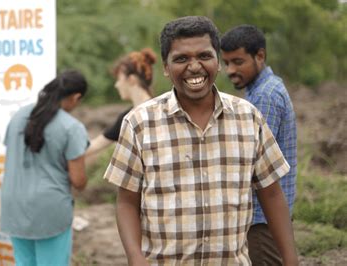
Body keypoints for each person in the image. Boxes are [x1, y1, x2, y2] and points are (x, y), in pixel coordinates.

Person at [103, 16, 298, 265]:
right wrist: (135, 258)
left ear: (217, 62)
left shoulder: (249, 118)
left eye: (204, 56)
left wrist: (291, 260)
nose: (194, 66)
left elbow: (271, 194)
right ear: (165, 66)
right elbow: (127, 202)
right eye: (181, 59)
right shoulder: (139, 123)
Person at [221, 24, 297, 265]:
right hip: (264, 215)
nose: (230, 70)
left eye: (238, 62)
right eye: (227, 63)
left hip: (262, 217)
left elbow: (254, 162)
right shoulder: (258, 91)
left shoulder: (265, 95)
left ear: (260, 56)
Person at [0, 70, 89, 266]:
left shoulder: (18, 117)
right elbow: (78, 180)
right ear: (76, 98)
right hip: (49, 210)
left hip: (13, 205)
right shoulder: (71, 127)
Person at [86, 48, 155, 156]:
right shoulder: (126, 117)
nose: (116, 85)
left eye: (119, 79)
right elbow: (94, 145)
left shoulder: (160, 111)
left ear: (131, 79)